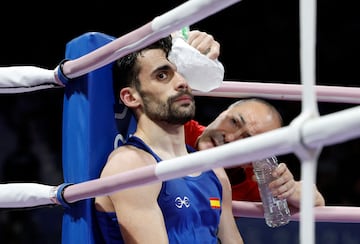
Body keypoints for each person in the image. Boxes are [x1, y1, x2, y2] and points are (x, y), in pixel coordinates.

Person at [94, 33, 244, 243]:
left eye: (180, 73)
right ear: (131, 97)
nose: (182, 82)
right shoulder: (131, 166)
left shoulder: (215, 171)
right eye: (162, 76)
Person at [184, 98, 325, 208]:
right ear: (222, 113)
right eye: (234, 122)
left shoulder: (255, 182)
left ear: (253, 159)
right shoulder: (175, 129)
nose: (230, 138)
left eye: (247, 139)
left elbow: (316, 199)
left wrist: (290, 189)